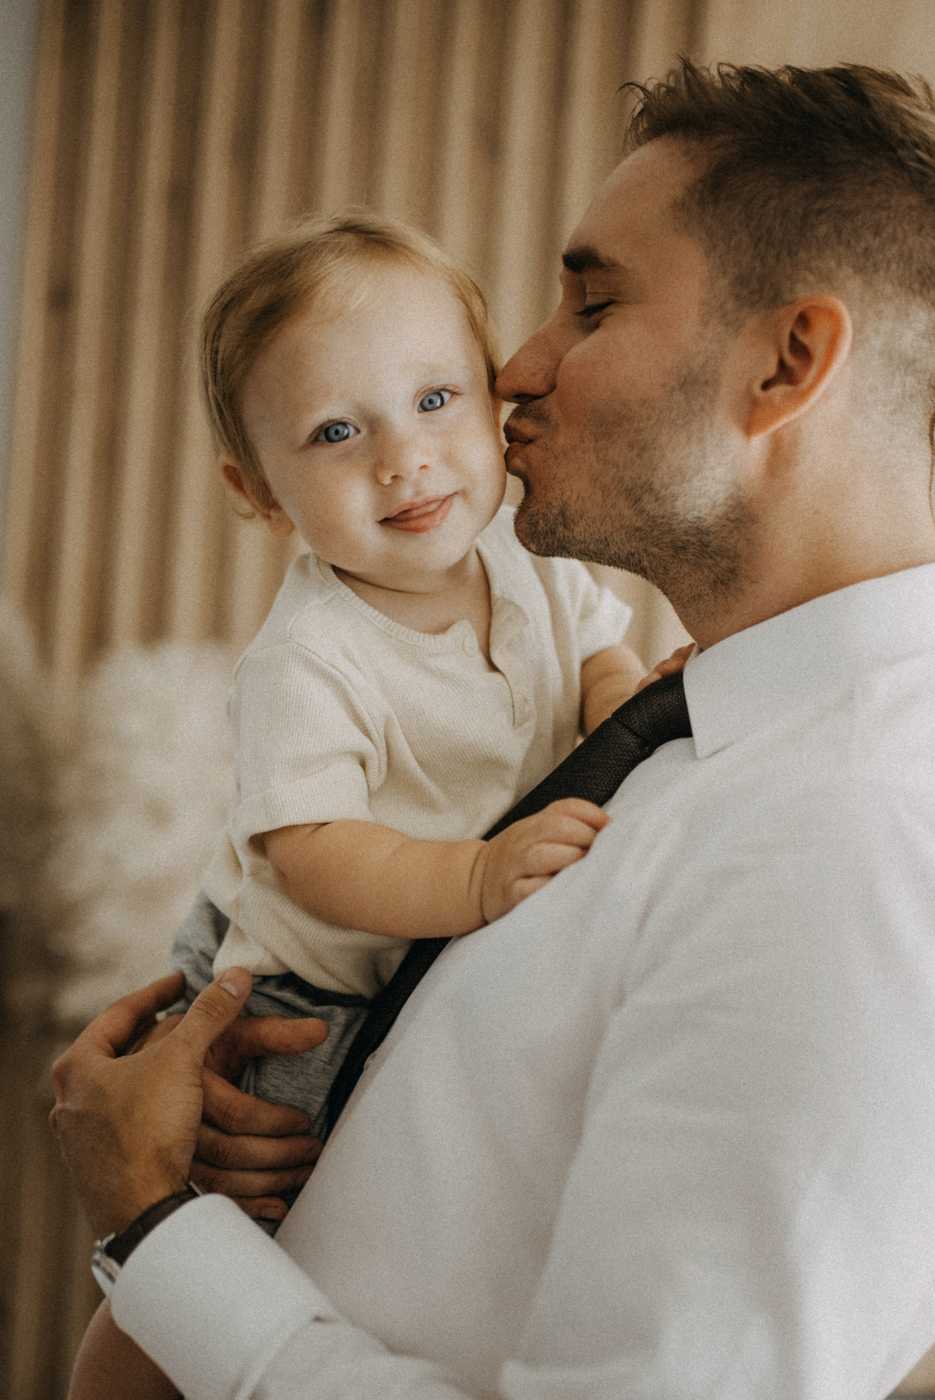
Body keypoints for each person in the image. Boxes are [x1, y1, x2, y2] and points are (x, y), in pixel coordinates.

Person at [52, 58, 935, 1398]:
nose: (511, 367)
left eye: (592, 302)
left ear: (784, 362)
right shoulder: (690, 730)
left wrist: (154, 1228)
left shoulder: (850, 844)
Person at [179, 210, 646, 1145]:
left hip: (458, 940)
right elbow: (314, 853)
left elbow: (599, 652)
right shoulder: (308, 657)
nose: (403, 460)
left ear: (489, 392)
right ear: (259, 491)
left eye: (435, 399)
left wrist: (623, 709)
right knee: (291, 1167)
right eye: (336, 431)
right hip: (317, 987)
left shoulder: (523, 546)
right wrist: (474, 877)